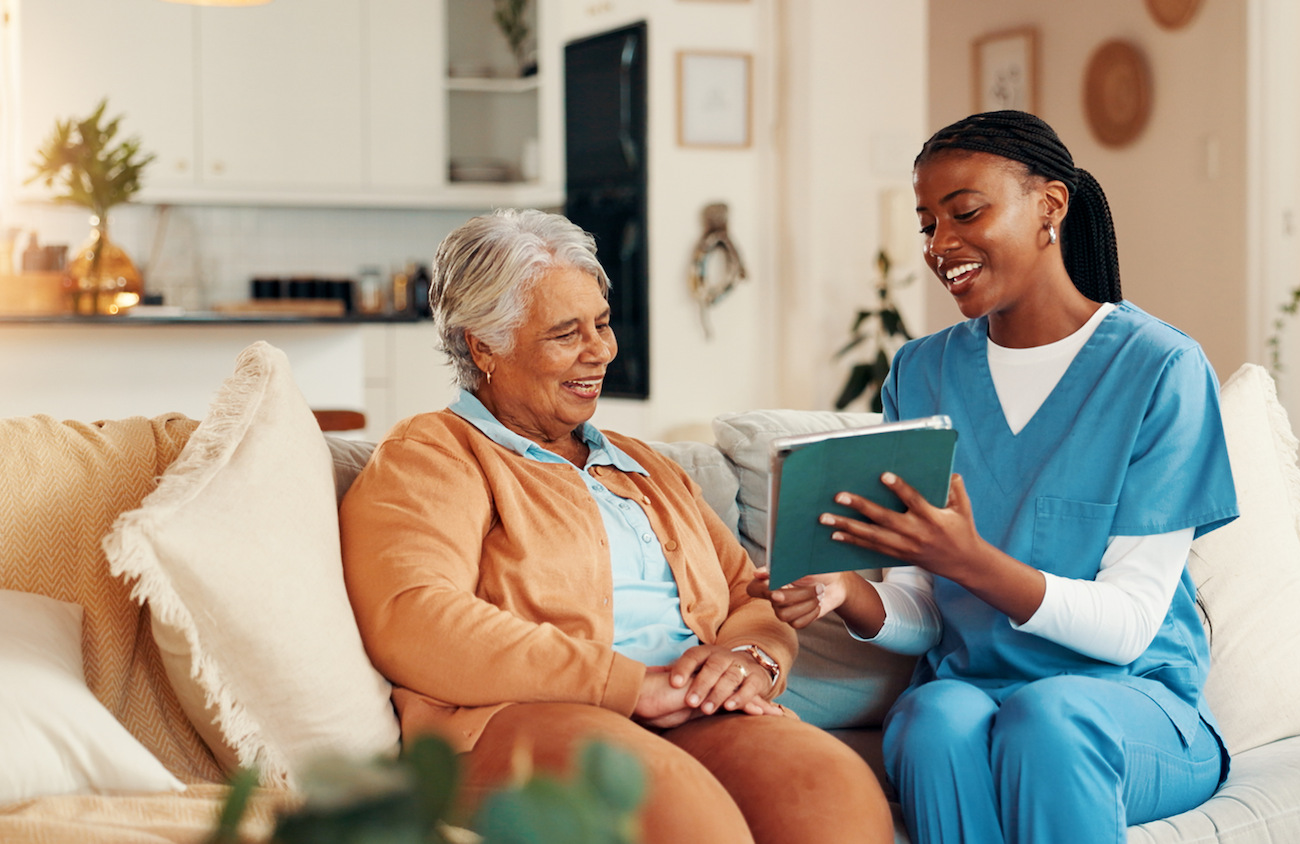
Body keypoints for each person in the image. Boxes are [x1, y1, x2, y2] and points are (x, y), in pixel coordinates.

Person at [752, 111, 1240, 844]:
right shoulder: (920, 372)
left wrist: (970, 561)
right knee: (930, 718)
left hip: (1126, 704)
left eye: (965, 213)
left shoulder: (1160, 369)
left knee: (1046, 719)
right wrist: (846, 593)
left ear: (1049, 207)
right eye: (927, 225)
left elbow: (1130, 625)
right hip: (974, 692)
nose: (940, 245)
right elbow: (924, 604)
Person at [340, 209, 891, 844]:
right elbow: (413, 616)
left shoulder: (643, 465)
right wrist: (629, 686)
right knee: (688, 821)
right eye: (565, 333)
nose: (600, 350)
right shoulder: (436, 451)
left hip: (689, 704)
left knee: (833, 795)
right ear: (483, 345)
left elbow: (749, 594)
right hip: (520, 716)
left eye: (601, 324)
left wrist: (751, 658)